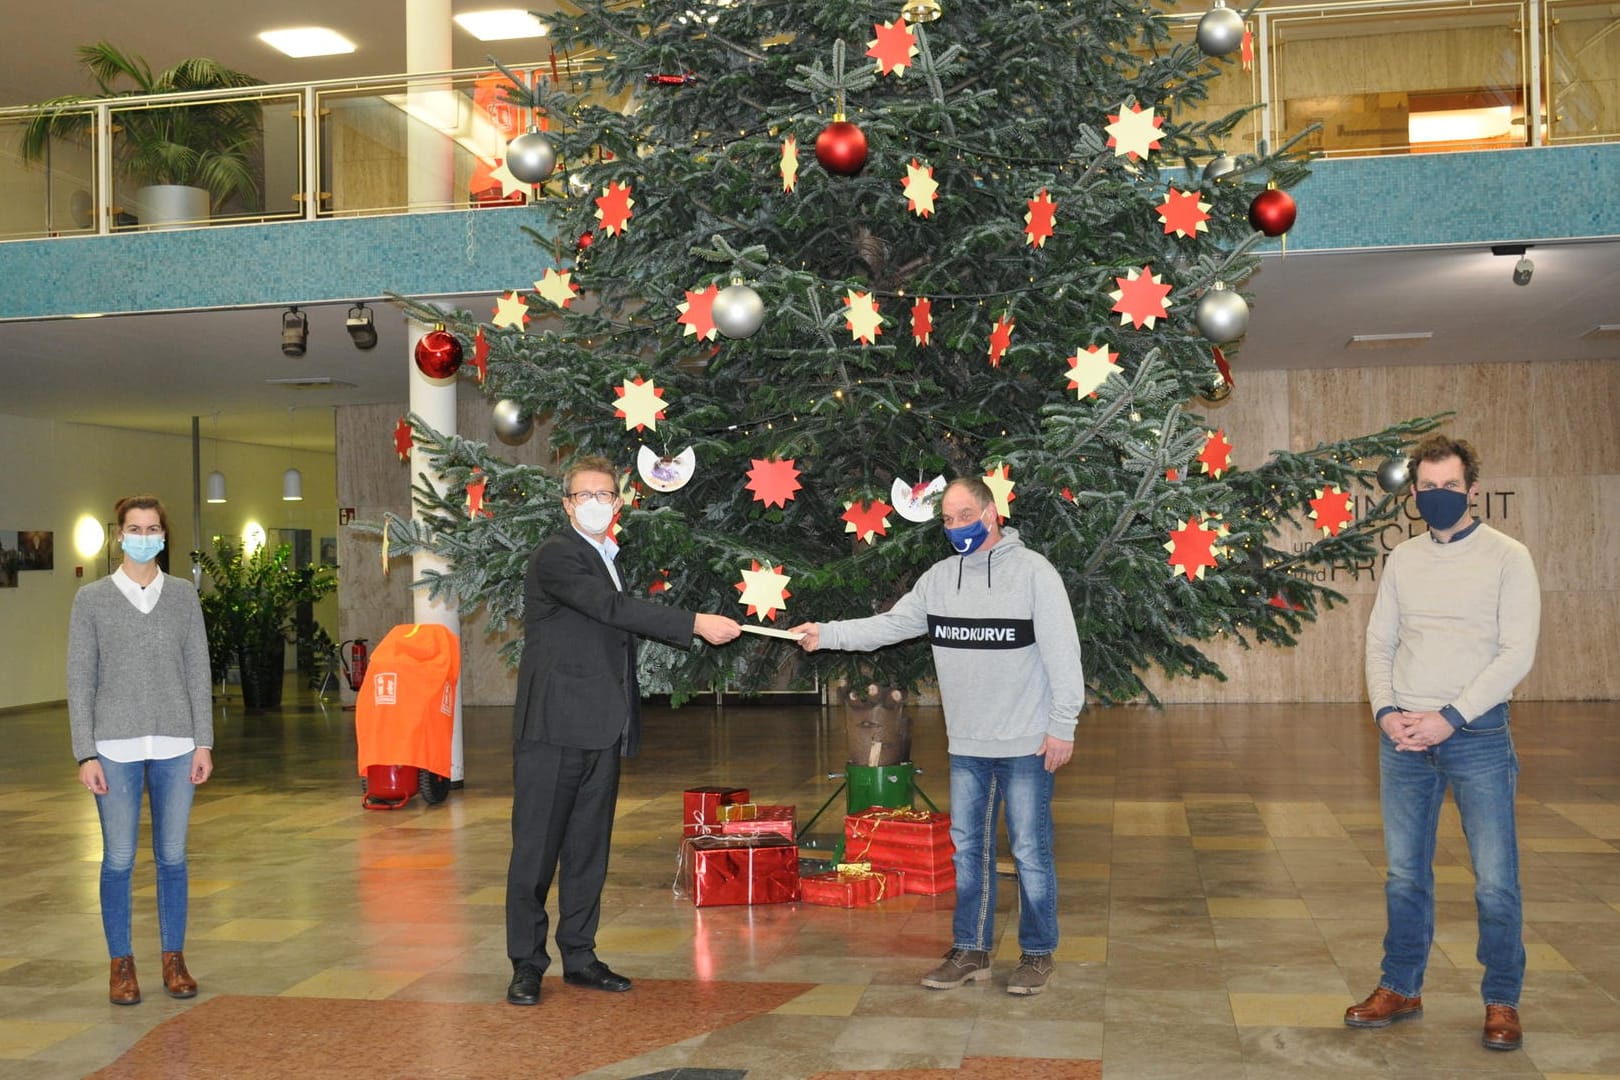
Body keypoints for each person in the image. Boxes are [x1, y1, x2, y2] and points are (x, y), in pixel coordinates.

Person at [791, 476, 1085, 996]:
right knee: (967, 852)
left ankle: (1038, 954)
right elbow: (889, 625)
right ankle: (970, 949)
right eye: (947, 519)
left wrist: (1062, 726)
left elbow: (1064, 656)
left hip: (1026, 743)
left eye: (965, 514)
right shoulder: (938, 580)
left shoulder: (1035, 574)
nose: (956, 526)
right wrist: (828, 633)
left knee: (1031, 851)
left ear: (992, 514)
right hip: (967, 745)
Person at [506, 455, 742, 1006]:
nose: (594, 503)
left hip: (601, 730)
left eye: (604, 495)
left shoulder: (606, 556)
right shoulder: (558, 555)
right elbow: (608, 608)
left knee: (589, 851)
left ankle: (581, 956)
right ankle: (526, 963)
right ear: (567, 504)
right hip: (553, 728)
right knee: (536, 853)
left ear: (617, 505)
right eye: (583, 495)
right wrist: (693, 623)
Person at [1347, 434, 1540, 1051]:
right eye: (1425, 489)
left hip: (1476, 736)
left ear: (1472, 490)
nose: (1436, 497)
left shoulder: (1510, 557)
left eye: (1448, 487)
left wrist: (1451, 717)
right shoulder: (1403, 560)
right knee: (1404, 874)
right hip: (1403, 739)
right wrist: (1385, 711)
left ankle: (1502, 999)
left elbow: (1517, 653)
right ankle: (1400, 986)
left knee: (1494, 878)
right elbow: (1380, 642)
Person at [66, 495, 214, 1006]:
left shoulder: (182, 596)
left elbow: (199, 671)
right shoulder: (92, 600)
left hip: (176, 744)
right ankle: (121, 963)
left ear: (163, 537)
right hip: (114, 748)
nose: (144, 535)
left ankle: (173, 960)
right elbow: (80, 680)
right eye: (135, 527)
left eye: (153, 528)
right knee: (119, 859)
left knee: (173, 857)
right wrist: (85, 753)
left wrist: (203, 742)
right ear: (119, 536)